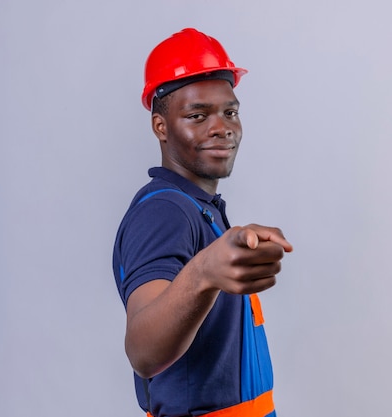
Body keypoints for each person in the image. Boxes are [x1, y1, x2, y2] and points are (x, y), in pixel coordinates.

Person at [112, 28, 293, 417]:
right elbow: (143, 351)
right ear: (161, 127)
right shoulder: (163, 212)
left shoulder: (200, 207)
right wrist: (203, 273)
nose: (222, 127)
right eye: (198, 115)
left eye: (230, 112)